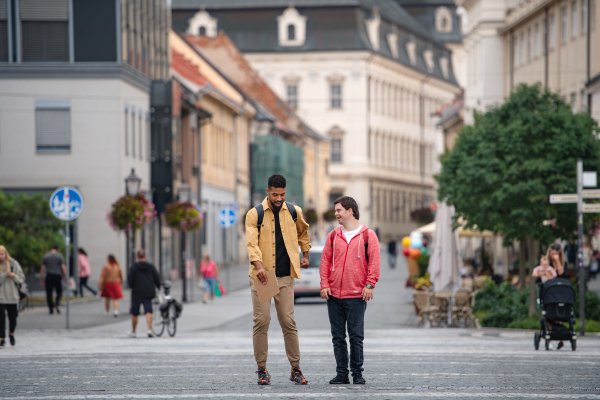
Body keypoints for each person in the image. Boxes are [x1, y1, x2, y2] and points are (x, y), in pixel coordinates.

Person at [245, 174, 311, 385]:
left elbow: (304, 233)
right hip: (263, 277)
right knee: (262, 321)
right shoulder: (254, 214)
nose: (279, 198)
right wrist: (259, 266)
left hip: (285, 276)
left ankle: (295, 369)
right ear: (268, 192)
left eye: (282, 194)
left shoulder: (294, 212)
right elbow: (251, 244)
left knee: (288, 322)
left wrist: (306, 255)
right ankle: (262, 369)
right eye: (275, 194)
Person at [319, 196, 380, 385]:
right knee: (337, 337)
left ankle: (357, 373)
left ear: (350, 211)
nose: (336, 213)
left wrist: (370, 285)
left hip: (356, 295)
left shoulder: (368, 235)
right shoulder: (333, 235)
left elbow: (375, 263)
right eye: (336, 210)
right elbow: (325, 262)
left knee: (356, 336)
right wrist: (324, 284)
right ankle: (342, 374)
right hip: (334, 295)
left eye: (339, 210)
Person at [127, 249, 160, 338]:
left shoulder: (134, 267)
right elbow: (156, 278)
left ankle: (133, 331)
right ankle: (149, 329)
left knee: (134, 312)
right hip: (148, 292)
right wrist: (159, 286)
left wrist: (132, 287)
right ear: (145, 257)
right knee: (148, 310)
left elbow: (130, 280)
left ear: (137, 257)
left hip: (137, 292)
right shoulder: (151, 267)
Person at [0, 246, 25, 348]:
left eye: (2, 254)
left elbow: (21, 279)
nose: (0, 256)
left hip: (13, 296)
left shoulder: (13, 264)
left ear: (6, 254)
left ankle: (11, 333)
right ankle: (1, 338)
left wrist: (13, 275)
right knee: (1, 319)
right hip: (1, 297)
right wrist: (5, 275)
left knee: (13, 318)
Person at [40, 244, 66, 315]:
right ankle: (57, 303)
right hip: (57, 276)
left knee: (49, 293)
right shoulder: (59, 256)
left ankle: (51, 309)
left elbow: (43, 268)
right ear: (57, 249)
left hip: (49, 276)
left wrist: (41, 277)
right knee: (59, 291)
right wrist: (65, 276)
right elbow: (63, 267)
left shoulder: (46, 256)